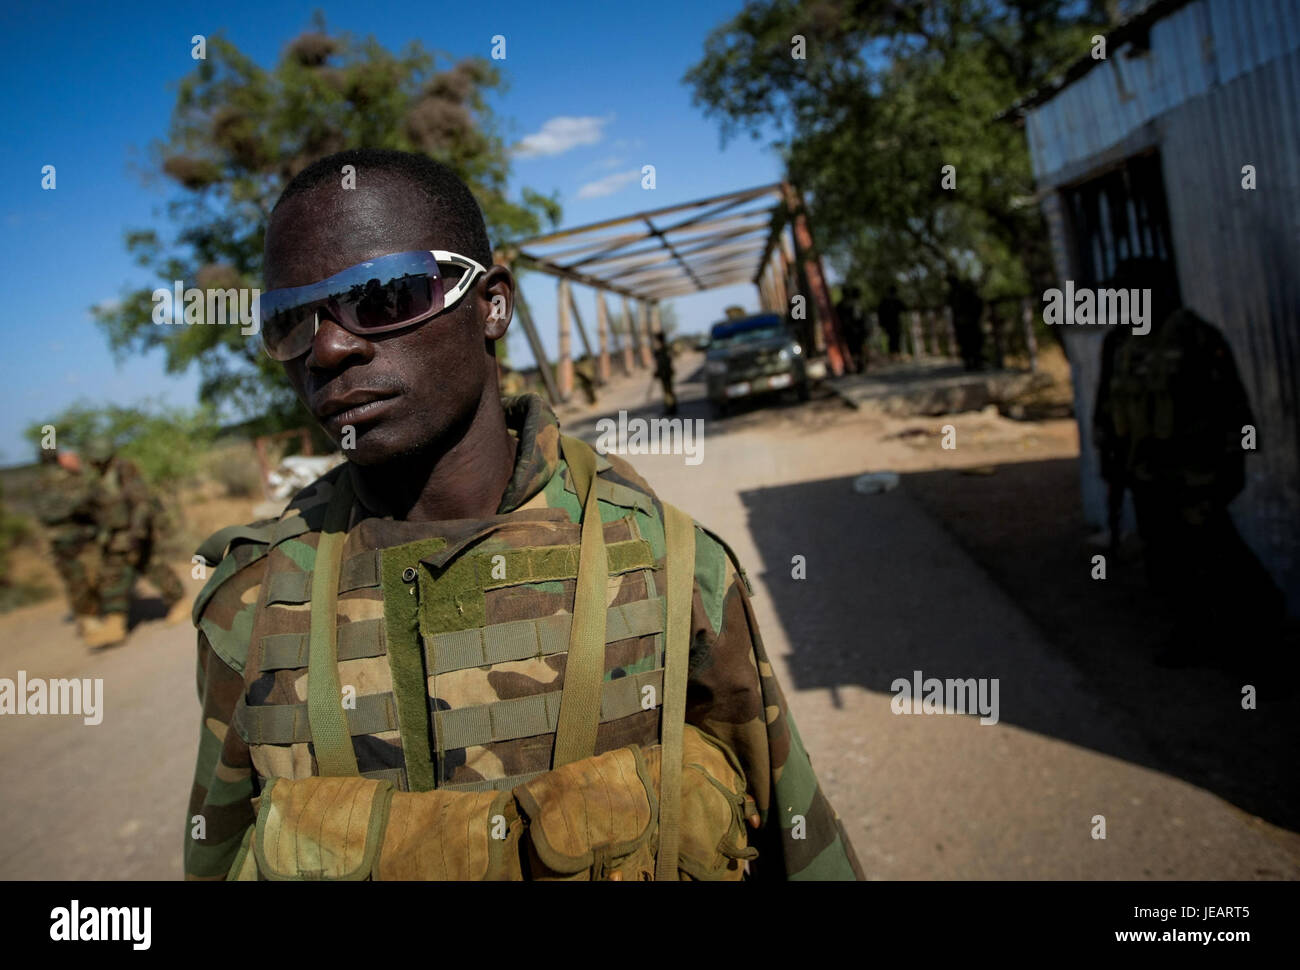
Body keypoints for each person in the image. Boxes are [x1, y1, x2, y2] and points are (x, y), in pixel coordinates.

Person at [184, 148, 861, 882]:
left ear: (493, 304)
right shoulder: (252, 605)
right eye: (291, 321)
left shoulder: (666, 567)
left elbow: (799, 845)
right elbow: (217, 854)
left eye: (381, 296)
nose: (330, 347)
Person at [1093, 267, 1284, 666]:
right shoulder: (1119, 343)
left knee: (1220, 557)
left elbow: (1232, 405)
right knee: (1166, 561)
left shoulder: (1195, 337)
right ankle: (1194, 634)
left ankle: (1267, 645)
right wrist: (1109, 460)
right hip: (1146, 475)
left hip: (1196, 476)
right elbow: (1105, 410)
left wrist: (1232, 466)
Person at [82, 437, 188, 647]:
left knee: (151, 566)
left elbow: (141, 505)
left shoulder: (124, 470)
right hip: (116, 536)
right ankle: (115, 623)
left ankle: (180, 601)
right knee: (112, 575)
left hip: (134, 533)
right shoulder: (101, 477)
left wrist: (136, 536)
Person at [34, 447, 106, 642]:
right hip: (66, 541)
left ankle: (92, 615)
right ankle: (89, 620)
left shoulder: (70, 477)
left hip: (82, 537)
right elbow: (48, 513)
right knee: (78, 581)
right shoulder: (45, 484)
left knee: (90, 576)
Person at [947, 275, 985, 371]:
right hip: (967, 322)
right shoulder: (958, 293)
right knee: (970, 343)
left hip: (967, 322)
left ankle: (973, 363)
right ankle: (973, 363)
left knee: (970, 343)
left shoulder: (958, 293)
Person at [836, 285, 867, 372]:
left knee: (853, 349)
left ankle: (856, 365)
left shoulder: (840, 305)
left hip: (849, 330)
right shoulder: (854, 304)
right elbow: (859, 317)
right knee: (858, 349)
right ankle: (859, 365)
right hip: (855, 330)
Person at [651, 331, 677, 415]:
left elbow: (663, 363)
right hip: (666, 373)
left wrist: (658, 372)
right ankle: (671, 407)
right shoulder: (664, 349)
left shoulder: (663, 350)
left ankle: (671, 408)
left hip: (665, 373)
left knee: (668, 392)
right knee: (668, 391)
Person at [876, 285, 905, 360]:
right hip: (891, 323)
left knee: (894, 338)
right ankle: (894, 355)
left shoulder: (890, 301)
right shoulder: (888, 301)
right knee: (893, 338)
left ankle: (895, 355)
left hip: (892, 323)